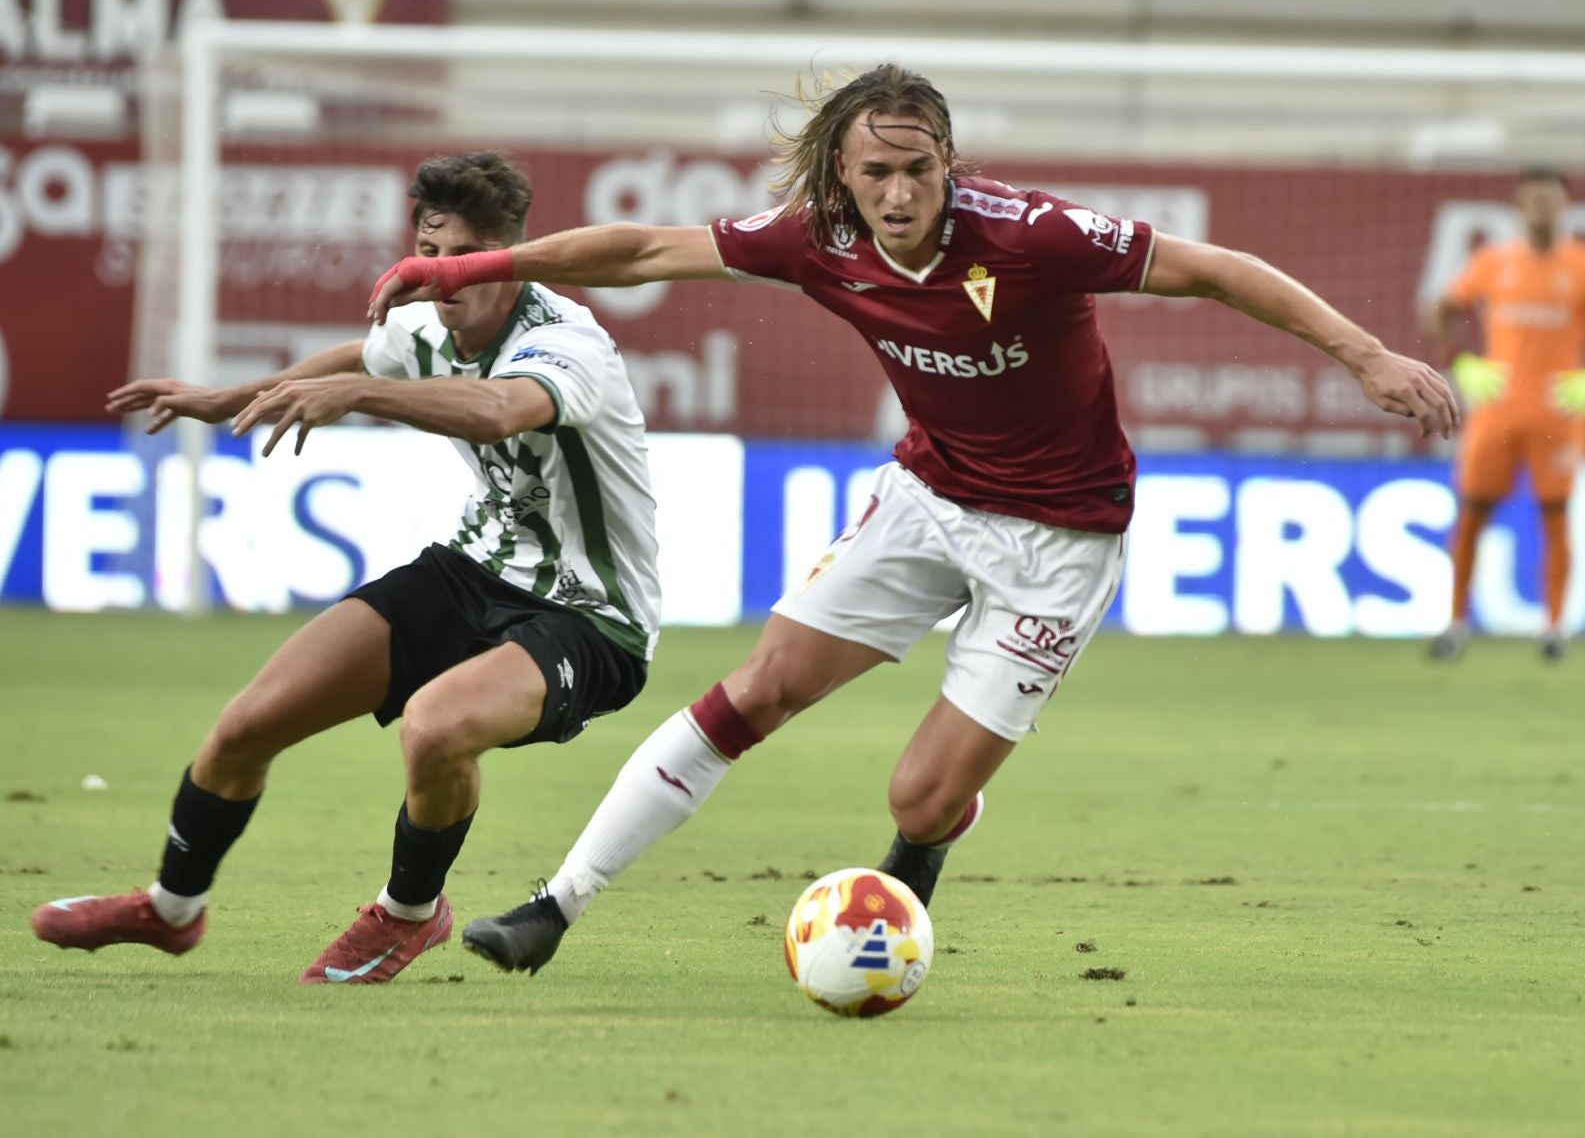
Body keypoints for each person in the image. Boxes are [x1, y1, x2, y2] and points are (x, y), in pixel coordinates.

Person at [365, 64, 1458, 976]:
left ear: (949, 164)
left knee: (920, 797)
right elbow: (645, 252)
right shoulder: (817, 240)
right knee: (757, 689)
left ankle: (927, 846)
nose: (899, 194)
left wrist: (1367, 355)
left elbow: (1216, 271)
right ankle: (557, 904)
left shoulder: (1032, 235)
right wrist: (473, 265)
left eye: (918, 170)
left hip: (1060, 542)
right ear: (843, 175)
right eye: (876, 172)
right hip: (927, 502)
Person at [31, 152, 662, 985]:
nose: (441, 276)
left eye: (464, 259)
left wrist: (360, 398)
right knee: (249, 724)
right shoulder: (424, 318)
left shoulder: (566, 341)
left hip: (591, 615)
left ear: (508, 259)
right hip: (471, 571)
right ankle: (171, 909)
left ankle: (409, 914)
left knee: (435, 727)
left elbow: (498, 409)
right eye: (428, 255)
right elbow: (364, 355)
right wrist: (232, 397)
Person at [1422, 166, 1585, 663]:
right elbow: (1439, 310)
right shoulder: (1492, 262)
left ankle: (1553, 629)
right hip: (1496, 410)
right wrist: (1459, 361)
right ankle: (1454, 623)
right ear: (1517, 205)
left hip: (1558, 412)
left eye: (1549, 198)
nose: (1541, 208)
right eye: (1532, 198)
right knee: (1473, 514)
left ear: (1566, 205)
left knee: (1556, 517)